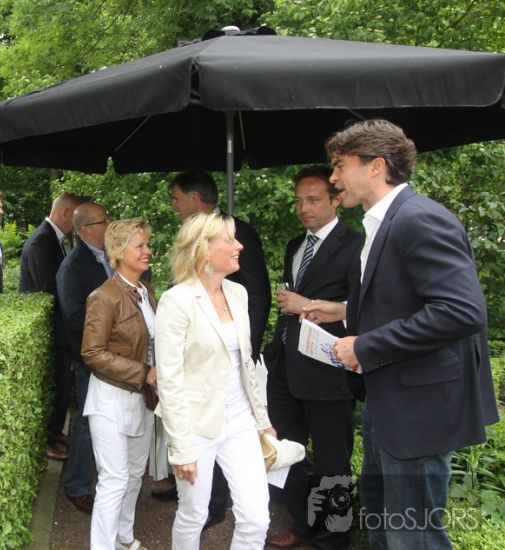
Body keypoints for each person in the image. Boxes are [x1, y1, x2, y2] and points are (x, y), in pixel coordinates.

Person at [311, 119, 498, 549]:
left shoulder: (420, 218)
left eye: (340, 166)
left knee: (412, 535)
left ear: (375, 166)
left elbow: (462, 310)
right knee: (382, 525)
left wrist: (365, 346)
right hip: (388, 402)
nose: (334, 177)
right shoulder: (382, 223)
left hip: (420, 412)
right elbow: (405, 301)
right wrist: (345, 313)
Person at [156, 212, 273, 549]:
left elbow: (245, 362)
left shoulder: (239, 294)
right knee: (194, 513)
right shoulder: (176, 301)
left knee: (257, 517)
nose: (239, 246)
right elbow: (170, 381)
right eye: (229, 240)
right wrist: (182, 448)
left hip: (240, 419)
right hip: (195, 424)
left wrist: (262, 420)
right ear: (204, 249)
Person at [263, 166, 363, 549]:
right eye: (299, 201)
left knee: (332, 459)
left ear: (336, 200)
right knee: (288, 452)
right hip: (285, 368)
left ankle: (333, 539)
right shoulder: (294, 246)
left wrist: (308, 304)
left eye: (313, 200)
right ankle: (305, 523)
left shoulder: (357, 245)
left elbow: (367, 308)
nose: (303, 208)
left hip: (329, 370)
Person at [81, 218, 157, 550]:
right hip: (110, 400)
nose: (147, 250)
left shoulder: (145, 291)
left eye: (147, 244)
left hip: (142, 398)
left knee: (135, 474)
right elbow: (92, 352)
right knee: (114, 479)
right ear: (118, 251)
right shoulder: (104, 296)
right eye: (140, 245)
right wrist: (144, 372)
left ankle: (124, 538)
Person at [57, 202, 112, 514]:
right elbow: (75, 317)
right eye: (105, 221)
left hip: (107, 354)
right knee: (87, 420)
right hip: (90, 357)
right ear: (86, 229)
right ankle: (77, 486)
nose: (110, 224)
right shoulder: (73, 266)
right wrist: (115, 330)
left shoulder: (106, 255)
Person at [19, 192, 83, 462]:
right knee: (53, 383)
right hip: (51, 326)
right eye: (76, 216)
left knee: (61, 381)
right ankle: (47, 439)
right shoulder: (41, 242)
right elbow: (46, 290)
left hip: (59, 326)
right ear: (66, 213)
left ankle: (55, 432)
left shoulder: (54, 238)